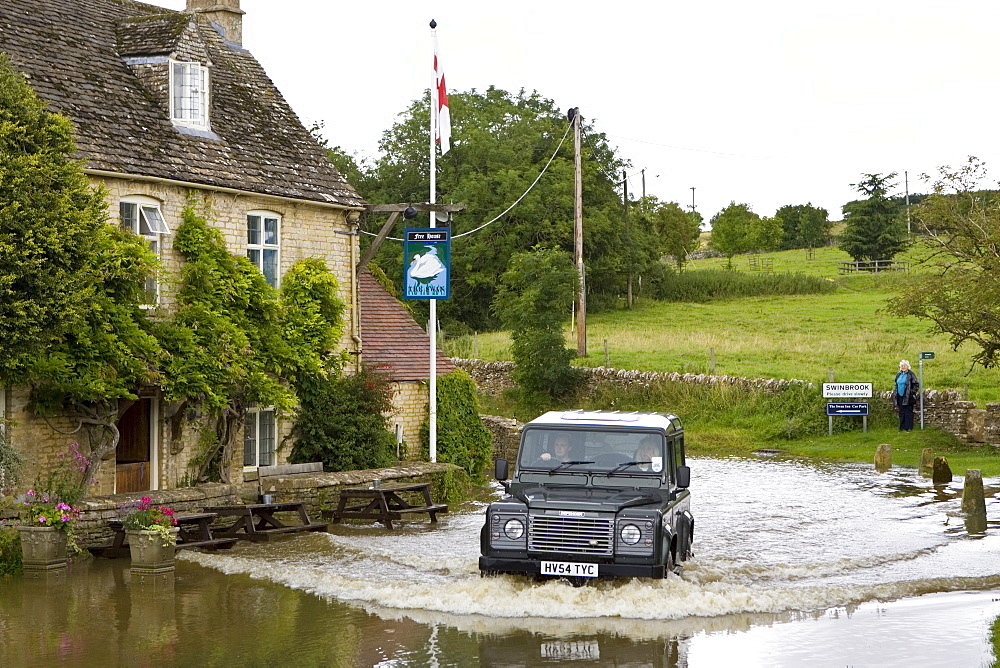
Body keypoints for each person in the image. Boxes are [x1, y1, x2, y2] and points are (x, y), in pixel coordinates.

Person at [894, 359, 919, 431]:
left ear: (908, 366)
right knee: (901, 412)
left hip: (908, 396)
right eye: (902, 366)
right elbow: (896, 384)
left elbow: (916, 384)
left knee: (908, 411)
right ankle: (902, 427)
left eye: (905, 366)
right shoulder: (899, 374)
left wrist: (911, 392)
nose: (903, 367)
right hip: (899, 396)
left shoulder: (911, 374)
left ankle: (909, 427)